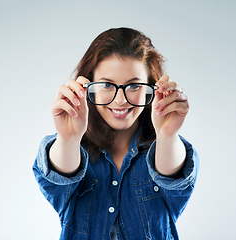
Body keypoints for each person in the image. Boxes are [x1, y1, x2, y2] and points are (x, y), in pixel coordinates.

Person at [33, 27, 199, 240]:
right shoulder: (71, 150)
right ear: (88, 85)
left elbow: (173, 178)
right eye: (107, 85)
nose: (120, 100)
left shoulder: (167, 150)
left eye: (133, 86)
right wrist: (68, 138)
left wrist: (167, 135)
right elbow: (58, 180)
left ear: (152, 87)